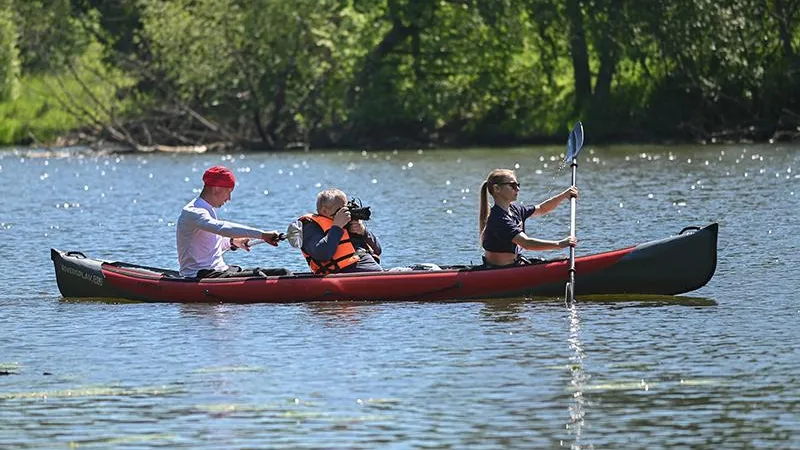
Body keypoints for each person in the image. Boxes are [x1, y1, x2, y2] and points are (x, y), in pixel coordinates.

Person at [176, 165, 286, 278]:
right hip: (199, 275)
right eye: (228, 192)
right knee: (258, 276)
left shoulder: (207, 210)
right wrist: (262, 235)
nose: (229, 198)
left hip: (219, 271)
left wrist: (232, 242)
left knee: (282, 272)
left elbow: (208, 247)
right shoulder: (193, 212)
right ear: (216, 189)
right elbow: (222, 228)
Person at [479, 168, 578, 267]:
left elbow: (542, 208)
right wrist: (559, 244)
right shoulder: (498, 218)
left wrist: (564, 195)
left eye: (518, 185)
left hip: (515, 264)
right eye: (513, 185)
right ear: (497, 189)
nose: (518, 189)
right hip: (499, 270)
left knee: (562, 259)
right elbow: (527, 243)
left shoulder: (515, 209)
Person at [298, 188, 383, 274]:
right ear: (324, 210)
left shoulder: (348, 223)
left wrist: (364, 232)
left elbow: (378, 250)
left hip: (375, 274)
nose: (345, 213)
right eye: (340, 210)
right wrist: (337, 227)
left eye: (346, 208)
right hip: (345, 277)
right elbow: (322, 254)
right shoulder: (311, 226)